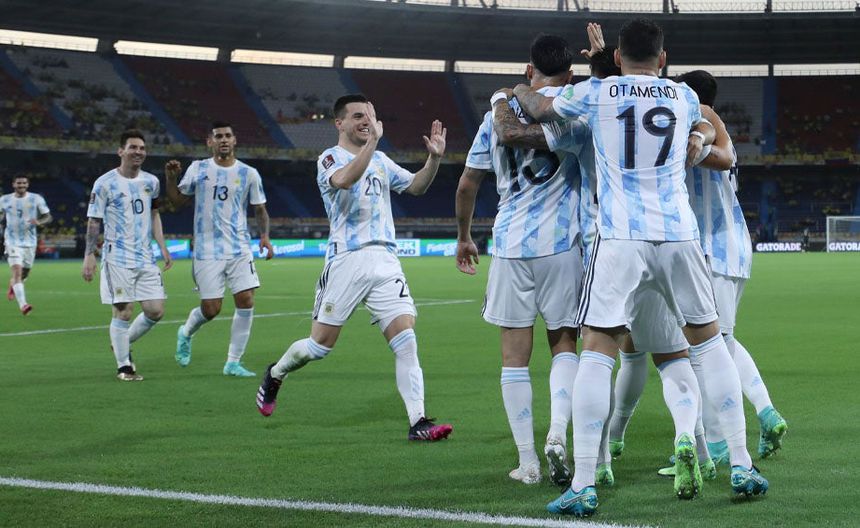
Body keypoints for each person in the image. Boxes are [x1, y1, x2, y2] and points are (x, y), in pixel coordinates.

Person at [513, 18, 767, 516]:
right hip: (678, 234)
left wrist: (518, 89)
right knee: (709, 344)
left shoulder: (597, 92)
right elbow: (707, 132)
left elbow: (540, 108)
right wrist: (697, 140)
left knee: (597, 352)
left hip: (619, 237)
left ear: (618, 55)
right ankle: (740, 462)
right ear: (663, 58)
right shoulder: (683, 96)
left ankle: (584, 483)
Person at [255, 95, 453, 442]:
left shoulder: (381, 160)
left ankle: (418, 422)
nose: (367, 121)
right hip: (347, 259)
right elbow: (345, 180)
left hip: (385, 259)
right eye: (359, 116)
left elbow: (417, 186)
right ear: (340, 123)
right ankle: (276, 372)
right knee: (319, 346)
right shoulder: (329, 158)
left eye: (371, 116)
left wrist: (434, 159)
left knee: (406, 340)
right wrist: (373, 142)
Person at [457, 33, 584, 487]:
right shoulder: (574, 111)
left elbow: (468, 184)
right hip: (561, 246)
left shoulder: (496, 116)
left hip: (510, 246)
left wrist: (464, 237)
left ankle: (527, 461)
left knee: (514, 358)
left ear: (529, 70)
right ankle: (557, 435)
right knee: (564, 344)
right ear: (570, 75)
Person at [165, 121, 274, 378]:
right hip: (207, 250)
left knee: (246, 300)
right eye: (218, 136)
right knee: (211, 309)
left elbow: (259, 208)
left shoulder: (249, 173)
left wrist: (265, 236)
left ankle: (233, 362)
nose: (223, 139)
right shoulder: (199, 168)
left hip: (239, 247)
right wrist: (170, 178)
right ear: (210, 142)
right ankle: (186, 332)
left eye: (227, 135)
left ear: (234, 140)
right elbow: (177, 201)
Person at [82, 129, 172, 381]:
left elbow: (154, 214)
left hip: (145, 257)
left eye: (142, 148)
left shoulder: (151, 182)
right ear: (121, 151)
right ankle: (124, 367)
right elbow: (94, 221)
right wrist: (89, 254)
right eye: (133, 147)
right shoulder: (104, 183)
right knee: (124, 310)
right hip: (117, 257)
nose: (138, 152)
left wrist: (162, 246)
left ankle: (121, 341)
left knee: (155, 311)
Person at [0, 174, 52, 315]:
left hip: (30, 242)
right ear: (13, 184)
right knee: (17, 271)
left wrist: (39, 222)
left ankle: (13, 285)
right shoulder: (4, 199)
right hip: (12, 241)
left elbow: (48, 216)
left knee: (25, 273)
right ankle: (23, 305)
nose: (21, 185)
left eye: (24, 183)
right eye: (19, 183)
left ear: (27, 185)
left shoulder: (36, 198)